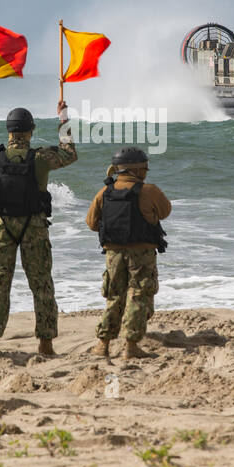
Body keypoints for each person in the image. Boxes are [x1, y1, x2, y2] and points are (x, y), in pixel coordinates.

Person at [0, 99, 76, 356]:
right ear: (30, 131)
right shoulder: (42, 158)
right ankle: (45, 344)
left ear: (9, 132)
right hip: (34, 227)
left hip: (1, 227)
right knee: (41, 284)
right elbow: (69, 153)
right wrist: (63, 120)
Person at [85, 146, 170, 358]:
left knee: (114, 297)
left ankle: (102, 345)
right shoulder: (149, 191)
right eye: (145, 168)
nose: (146, 172)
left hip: (113, 254)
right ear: (137, 170)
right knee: (138, 296)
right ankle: (131, 347)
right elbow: (165, 211)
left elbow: (92, 223)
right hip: (142, 254)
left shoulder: (104, 192)